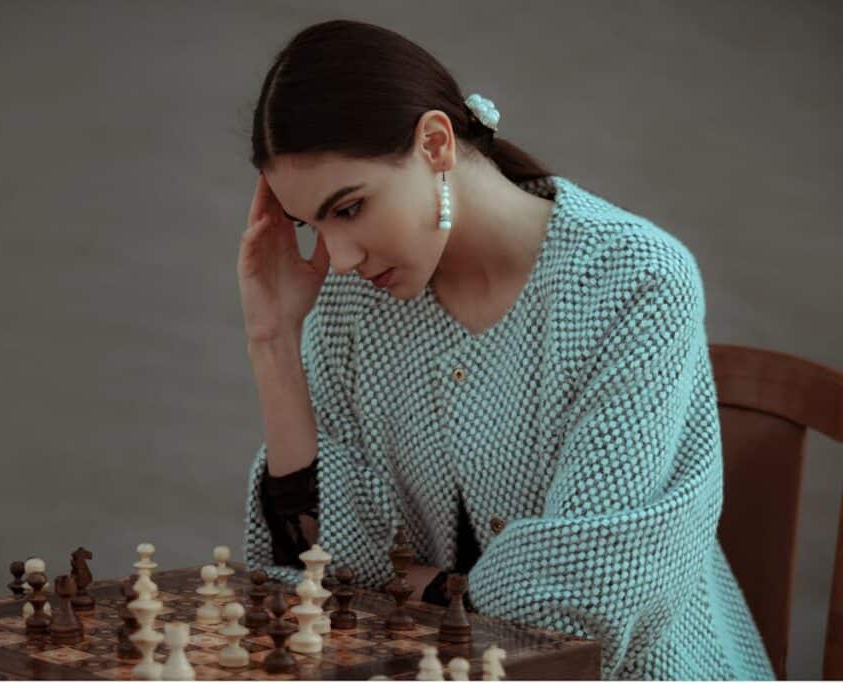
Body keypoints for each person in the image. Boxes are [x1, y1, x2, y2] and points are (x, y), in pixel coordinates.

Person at [236, 18, 775, 681]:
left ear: (435, 142)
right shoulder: (355, 304)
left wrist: (429, 585)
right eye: (310, 225)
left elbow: (581, 607)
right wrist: (273, 339)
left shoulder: (634, 281)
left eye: (348, 208)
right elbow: (318, 567)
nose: (338, 258)